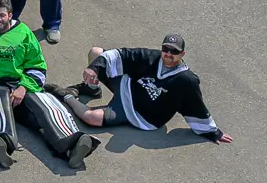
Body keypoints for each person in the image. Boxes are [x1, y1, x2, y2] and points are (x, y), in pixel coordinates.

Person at [0, 0, 97, 169]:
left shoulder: (24, 33)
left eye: (2, 15)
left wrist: (23, 87)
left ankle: (73, 144)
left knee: (46, 106)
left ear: (10, 15)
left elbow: (37, 66)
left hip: (19, 80)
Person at [60, 34, 231, 143]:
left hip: (139, 115)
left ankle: (64, 96)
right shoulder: (152, 57)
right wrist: (94, 69)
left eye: (174, 51)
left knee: (90, 118)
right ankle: (91, 88)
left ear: (182, 54)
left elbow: (195, 105)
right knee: (96, 53)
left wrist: (212, 132)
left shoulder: (186, 80)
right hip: (128, 89)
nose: (168, 54)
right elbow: (123, 55)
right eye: (165, 49)